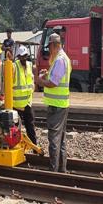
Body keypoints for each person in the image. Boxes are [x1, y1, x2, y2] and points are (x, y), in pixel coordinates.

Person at [36, 33, 71, 172]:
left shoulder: (60, 60)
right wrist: (47, 74)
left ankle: (53, 170)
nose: (48, 50)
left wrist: (40, 81)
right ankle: (61, 170)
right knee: (61, 139)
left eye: (49, 47)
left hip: (57, 106)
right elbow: (55, 78)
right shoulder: (60, 59)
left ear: (54, 45)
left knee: (54, 140)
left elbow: (53, 83)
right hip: (60, 105)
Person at [13, 45, 37, 144]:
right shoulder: (14, 66)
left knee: (30, 126)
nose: (23, 58)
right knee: (15, 129)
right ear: (18, 56)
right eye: (21, 56)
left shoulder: (30, 65)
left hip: (27, 103)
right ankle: (15, 146)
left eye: (25, 56)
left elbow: (31, 81)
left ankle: (34, 147)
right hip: (16, 104)